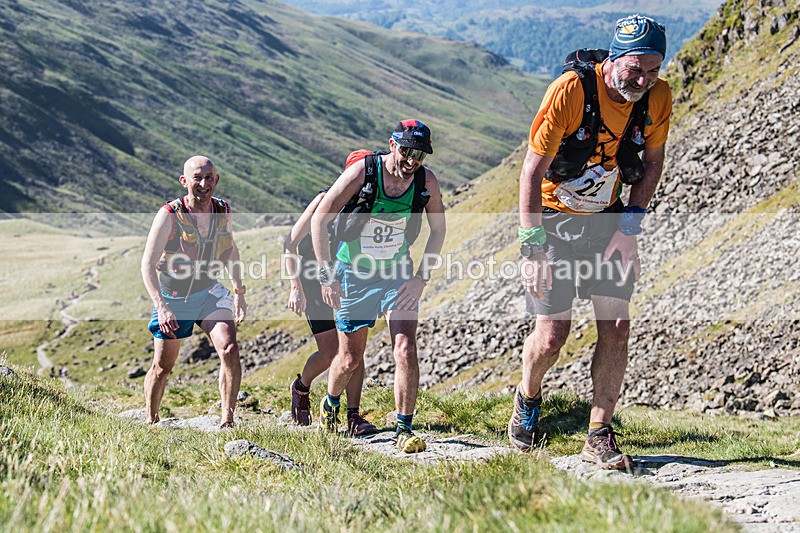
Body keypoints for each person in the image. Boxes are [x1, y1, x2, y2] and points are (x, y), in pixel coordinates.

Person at [512, 15, 672, 469]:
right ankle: (528, 396)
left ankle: (599, 433)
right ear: (614, 58)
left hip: (607, 220)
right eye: (634, 69)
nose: (642, 81)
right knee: (551, 336)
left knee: (616, 328)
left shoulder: (658, 97)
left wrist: (629, 230)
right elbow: (531, 172)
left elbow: (653, 162)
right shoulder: (571, 90)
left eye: (653, 71)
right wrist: (532, 248)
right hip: (555, 222)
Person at [310, 120, 446, 453]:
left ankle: (404, 428)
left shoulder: (425, 181)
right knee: (349, 359)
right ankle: (330, 404)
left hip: (398, 273)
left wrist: (420, 279)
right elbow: (319, 219)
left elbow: (438, 230)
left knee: (405, 348)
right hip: (353, 274)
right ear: (392, 144)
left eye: (419, 155)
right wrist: (327, 276)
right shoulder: (363, 172)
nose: (411, 160)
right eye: (406, 151)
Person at [141, 155, 247, 427]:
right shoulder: (170, 215)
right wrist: (162, 306)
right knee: (163, 367)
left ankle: (228, 420)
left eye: (209, 177)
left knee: (230, 349)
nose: (203, 183)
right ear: (184, 181)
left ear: (217, 179)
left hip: (209, 292)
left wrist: (239, 291)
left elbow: (230, 250)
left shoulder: (223, 210)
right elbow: (147, 265)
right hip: (173, 298)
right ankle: (152, 420)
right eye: (197, 178)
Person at [284, 189, 378, 436]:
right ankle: (301, 387)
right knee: (329, 353)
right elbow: (289, 244)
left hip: (351, 282)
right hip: (314, 283)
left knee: (353, 352)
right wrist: (296, 288)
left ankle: (353, 417)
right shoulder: (323, 200)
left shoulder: (372, 203)